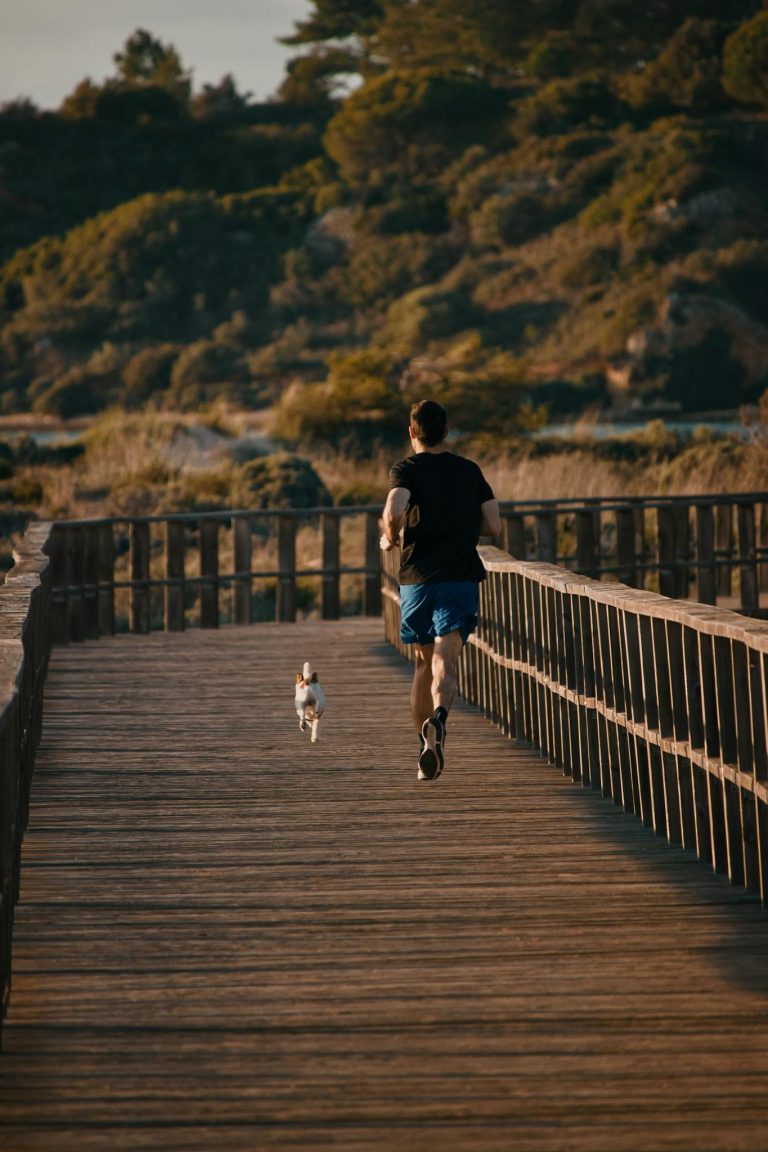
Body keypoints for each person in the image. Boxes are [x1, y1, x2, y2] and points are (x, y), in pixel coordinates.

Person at [380, 399, 502, 781]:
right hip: (459, 577)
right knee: (446, 660)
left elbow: (394, 509)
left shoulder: (406, 468)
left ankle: (424, 744)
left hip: (418, 578)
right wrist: (462, 526)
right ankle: (441, 718)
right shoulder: (469, 470)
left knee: (421, 661)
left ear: (412, 431)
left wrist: (391, 536)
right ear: (446, 432)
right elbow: (494, 526)